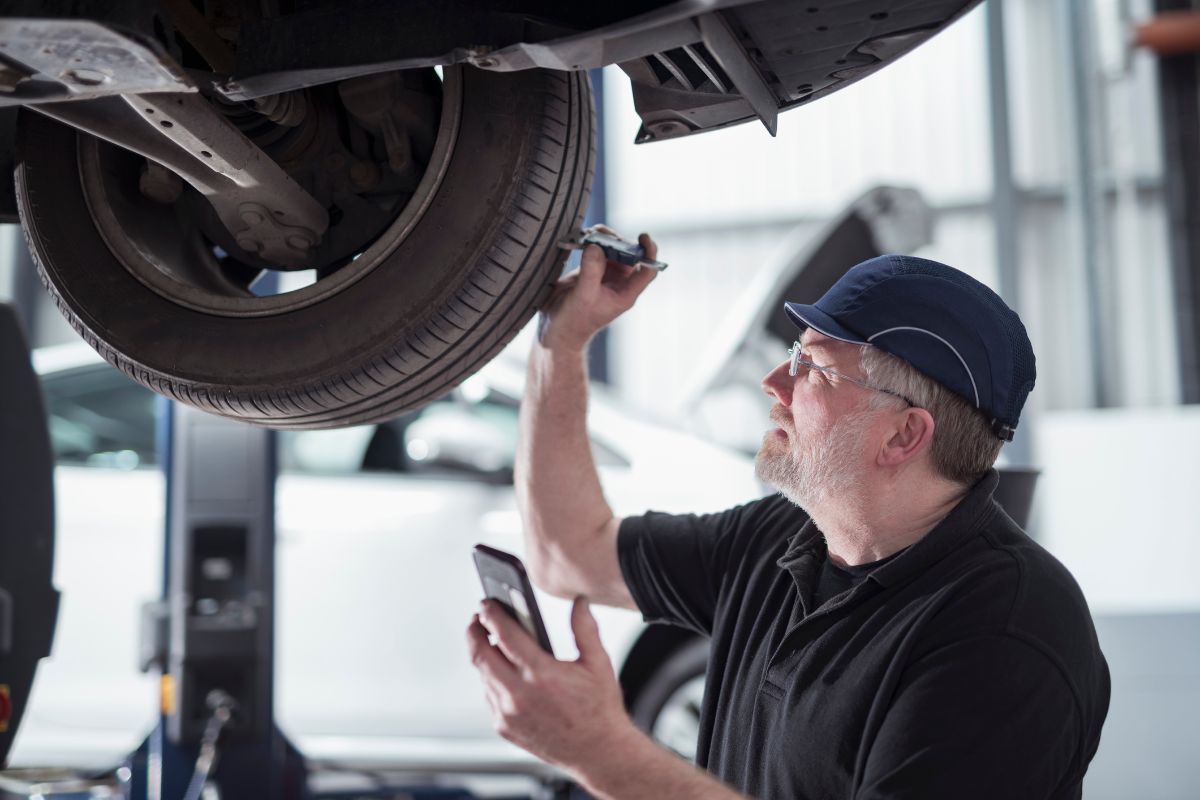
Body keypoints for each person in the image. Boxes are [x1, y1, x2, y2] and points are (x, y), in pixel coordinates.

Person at [466, 236, 1111, 799]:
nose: (773, 383)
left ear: (902, 436)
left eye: (812, 367)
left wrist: (601, 753)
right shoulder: (781, 541)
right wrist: (561, 341)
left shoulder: (1004, 636)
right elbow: (568, 552)